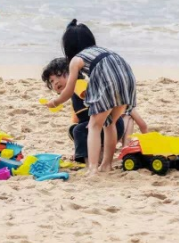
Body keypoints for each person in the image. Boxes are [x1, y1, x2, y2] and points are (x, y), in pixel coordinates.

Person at [46, 20, 137, 175]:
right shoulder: (101, 50)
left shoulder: (75, 60)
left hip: (107, 79)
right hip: (128, 77)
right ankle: (106, 165)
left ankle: (93, 168)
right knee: (110, 123)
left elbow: (69, 91)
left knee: (94, 125)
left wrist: (56, 101)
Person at [42, 57, 129, 164]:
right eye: (51, 81)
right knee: (73, 129)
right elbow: (77, 120)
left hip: (110, 124)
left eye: (59, 75)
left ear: (72, 72)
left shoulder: (78, 84)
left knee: (78, 130)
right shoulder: (74, 98)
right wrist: (78, 149)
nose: (55, 82)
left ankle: (88, 160)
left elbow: (95, 96)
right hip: (100, 127)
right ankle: (97, 153)